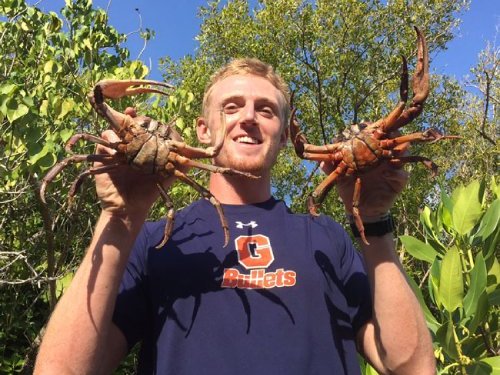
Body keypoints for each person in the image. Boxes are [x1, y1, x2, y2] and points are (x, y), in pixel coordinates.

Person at [34, 58, 435, 374]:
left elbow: (411, 367)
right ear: (203, 130)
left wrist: (374, 219)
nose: (248, 118)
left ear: (284, 138)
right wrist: (119, 217)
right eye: (232, 107)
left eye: (266, 110)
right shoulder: (156, 239)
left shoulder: (326, 238)